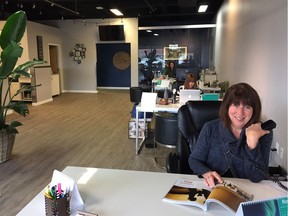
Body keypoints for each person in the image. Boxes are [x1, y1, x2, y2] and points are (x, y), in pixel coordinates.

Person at [189, 83, 273, 188]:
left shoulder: (263, 133)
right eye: (236, 105)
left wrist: (252, 144)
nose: (240, 112)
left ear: (254, 110)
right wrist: (206, 173)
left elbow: (257, 177)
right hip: (212, 187)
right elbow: (194, 160)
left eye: (247, 107)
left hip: (247, 190)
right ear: (227, 106)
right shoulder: (210, 128)